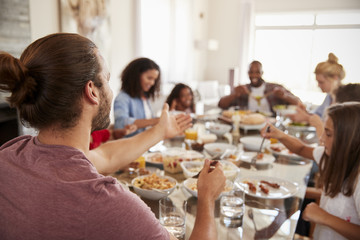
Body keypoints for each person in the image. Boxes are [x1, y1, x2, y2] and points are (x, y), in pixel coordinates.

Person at [0, 33, 226, 240]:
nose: (110, 89)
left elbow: (104, 157)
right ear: (92, 91)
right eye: (107, 79)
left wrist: (159, 131)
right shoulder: (107, 203)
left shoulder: (10, 153)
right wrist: (206, 198)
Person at [261, 103, 360, 240]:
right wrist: (279, 135)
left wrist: (324, 217)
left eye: (329, 134)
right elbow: (301, 149)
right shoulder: (332, 157)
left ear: (349, 140)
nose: (322, 138)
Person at [218, 60, 302, 116]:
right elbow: (221, 104)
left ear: (262, 73)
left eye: (257, 72)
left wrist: (285, 96)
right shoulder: (243, 90)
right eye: (251, 72)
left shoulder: (274, 88)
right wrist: (235, 95)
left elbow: (298, 102)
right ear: (248, 73)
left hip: (270, 125)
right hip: (248, 123)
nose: (254, 75)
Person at [114, 57, 162, 136]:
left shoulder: (145, 97)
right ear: (136, 76)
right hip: (131, 146)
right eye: (149, 78)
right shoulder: (123, 98)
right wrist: (156, 120)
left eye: (154, 79)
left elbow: (148, 122)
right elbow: (120, 123)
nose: (152, 83)